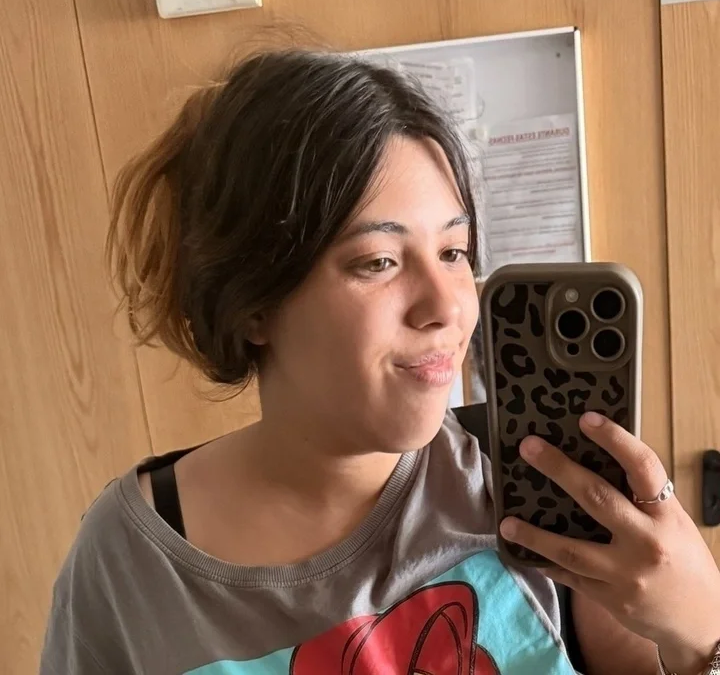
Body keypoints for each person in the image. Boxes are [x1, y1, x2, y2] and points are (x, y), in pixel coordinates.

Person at [40, 48, 720, 675]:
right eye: (379, 262)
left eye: (453, 253)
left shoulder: (535, 481)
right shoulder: (129, 561)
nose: (446, 306)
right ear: (252, 304)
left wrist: (700, 634)